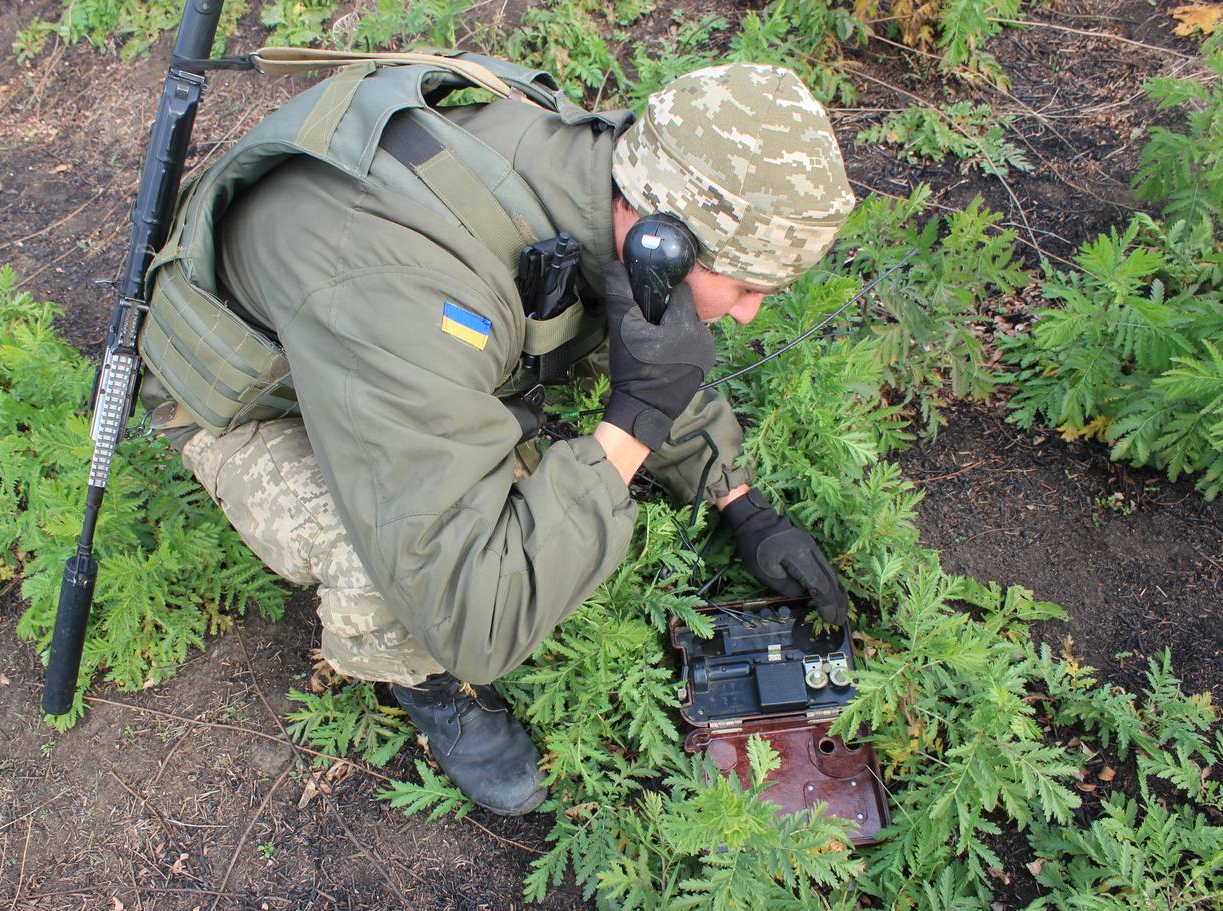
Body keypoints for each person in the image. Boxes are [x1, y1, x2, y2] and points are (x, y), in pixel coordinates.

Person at [141, 60, 856, 815]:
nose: (747, 316)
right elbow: (471, 612)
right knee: (394, 561)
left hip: (369, 324)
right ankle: (423, 684)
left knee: (525, 427)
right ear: (660, 239)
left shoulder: (603, 175)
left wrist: (735, 498)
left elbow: (641, 326)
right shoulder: (412, 298)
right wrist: (635, 422)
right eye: (743, 287)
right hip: (258, 397)